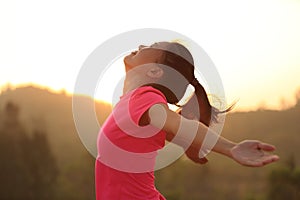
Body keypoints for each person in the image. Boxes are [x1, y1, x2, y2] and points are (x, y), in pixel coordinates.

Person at [95, 41, 279, 199]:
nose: (142, 46)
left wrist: (231, 148)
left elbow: (180, 125)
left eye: (151, 46)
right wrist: (189, 145)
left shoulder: (144, 97)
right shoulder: (132, 105)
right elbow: (174, 132)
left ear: (154, 71)